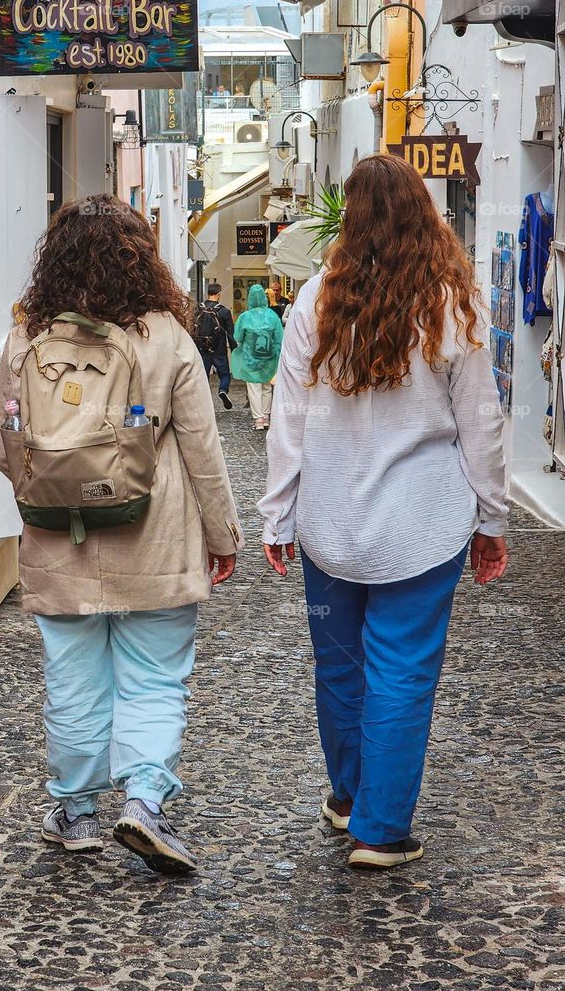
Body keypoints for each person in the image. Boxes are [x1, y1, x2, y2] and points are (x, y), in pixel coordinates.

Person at [258, 153, 508, 870]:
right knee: (401, 669)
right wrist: (492, 519)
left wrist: (278, 516)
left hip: (331, 523)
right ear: (422, 216)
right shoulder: (451, 304)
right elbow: (481, 423)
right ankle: (380, 828)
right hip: (423, 526)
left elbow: (289, 420)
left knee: (338, 666)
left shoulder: (313, 301)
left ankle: (347, 797)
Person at [0, 194, 241, 875]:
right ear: (142, 260)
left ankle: (75, 812)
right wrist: (223, 537)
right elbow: (202, 453)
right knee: (156, 681)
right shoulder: (166, 337)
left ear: (56, 261)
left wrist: (54, 483)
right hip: (155, 546)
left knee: (73, 683)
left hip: (58, 544)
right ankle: (144, 800)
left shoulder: (24, 341)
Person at [230, 283, 283, 429]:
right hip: (269, 358)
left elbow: (237, 337)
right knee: (267, 387)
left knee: (254, 387)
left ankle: (258, 419)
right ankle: (266, 417)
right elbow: (279, 337)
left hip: (250, 359)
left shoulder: (244, 317)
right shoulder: (272, 316)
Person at [195, 281, 236, 410]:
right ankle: (223, 390)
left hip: (203, 348)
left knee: (203, 375)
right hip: (219, 349)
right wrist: (234, 349)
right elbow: (230, 333)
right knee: (224, 375)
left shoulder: (199, 309)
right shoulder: (223, 311)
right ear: (219, 294)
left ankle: (203, 401)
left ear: (208, 293)